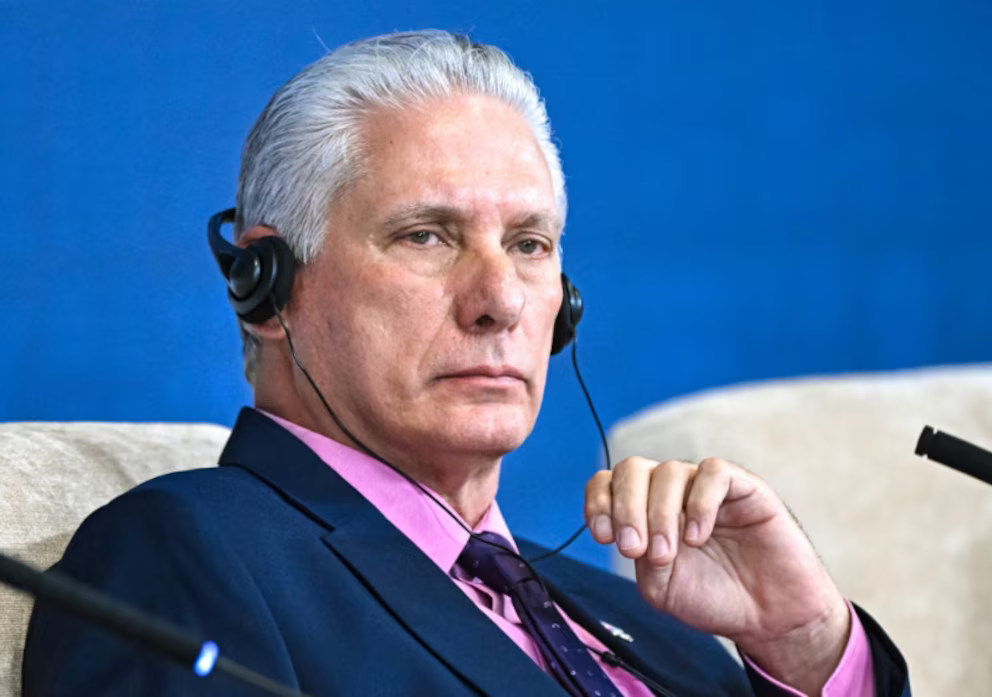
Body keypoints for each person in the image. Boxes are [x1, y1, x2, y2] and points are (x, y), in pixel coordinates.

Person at [23, 30, 910, 696]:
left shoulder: (658, 622)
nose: (501, 300)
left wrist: (806, 648)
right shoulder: (183, 554)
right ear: (269, 284)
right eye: (426, 235)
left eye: (529, 244)